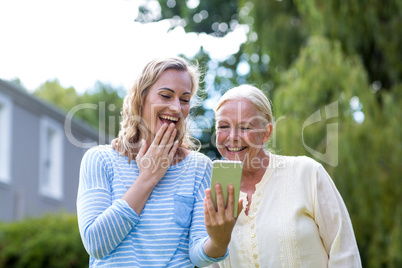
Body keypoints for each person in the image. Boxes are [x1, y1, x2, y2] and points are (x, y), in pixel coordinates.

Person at [77, 56, 236, 267]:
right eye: (166, 95)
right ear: (140, 98)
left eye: (184, 99)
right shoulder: (100, 160)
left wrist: (220, 240)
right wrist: (148, 178)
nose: (177, 108)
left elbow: (198, 255)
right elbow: (96, 243)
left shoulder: (199, 167)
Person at [213, 84, 362, 267]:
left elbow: (344, 253)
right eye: (223, 126)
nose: (233, 137)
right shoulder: (211, 188)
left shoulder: (306, 173)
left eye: (244, 127)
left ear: (266, 133)